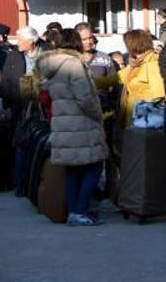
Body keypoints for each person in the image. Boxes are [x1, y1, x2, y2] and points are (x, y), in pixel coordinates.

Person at [36, 29, 108, 226]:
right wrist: (97, 114)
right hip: (81, 123)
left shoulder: (53, 66)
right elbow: (84, 97)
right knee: (94, 166)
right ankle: (80, 210)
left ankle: (74, 211)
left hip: (62, 122)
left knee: (73, 170)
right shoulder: (74, 64)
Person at [96, 30, 166, 128]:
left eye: (127, 45)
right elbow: (116, 78)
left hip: (145, 120)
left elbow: (158, 95)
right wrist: (89, 82)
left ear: (133, 45)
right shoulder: (135, 64)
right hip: (133, 117)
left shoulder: (153, 62)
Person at [1, 26, 44, 119]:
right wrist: (6, 106)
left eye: (20, 40)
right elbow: (6, 82)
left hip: (43, 105)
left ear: (30, 41)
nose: (17, 43)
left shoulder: (46, 54)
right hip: (19, 106)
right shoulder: (13, 55)